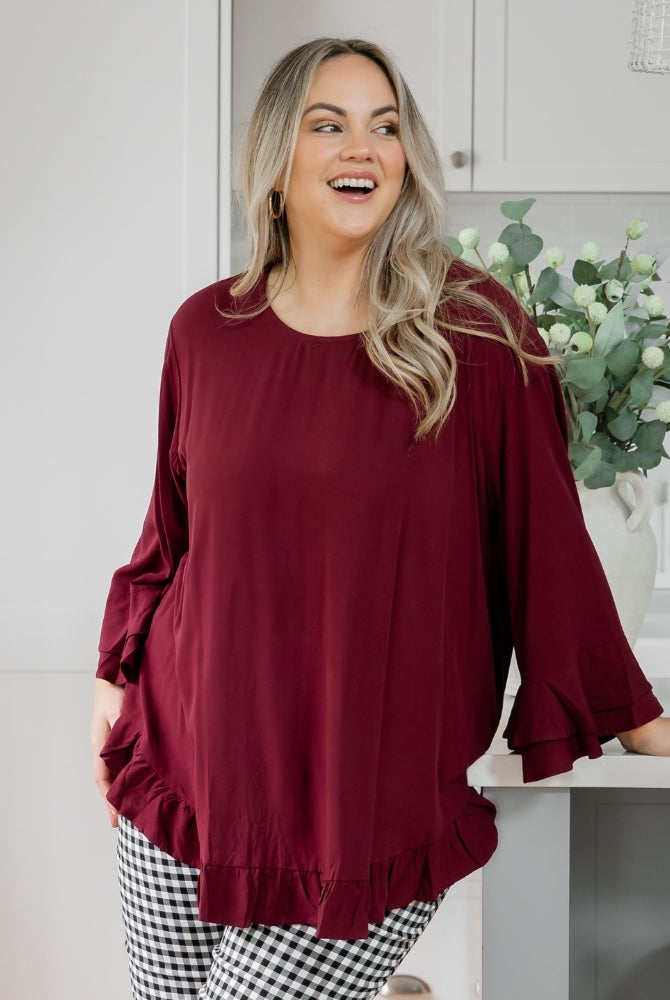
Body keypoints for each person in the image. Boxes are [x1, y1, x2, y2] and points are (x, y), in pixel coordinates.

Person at [90, 36, 670, 1000]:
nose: (364, 147)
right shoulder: (204, 329)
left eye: (386, 125)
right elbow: (171, 537)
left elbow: (548, 549)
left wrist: (640, 719)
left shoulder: (476, 332)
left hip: (361, 804)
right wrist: (111, 683)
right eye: (329, 124)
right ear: (276, 162)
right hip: (186, 768)